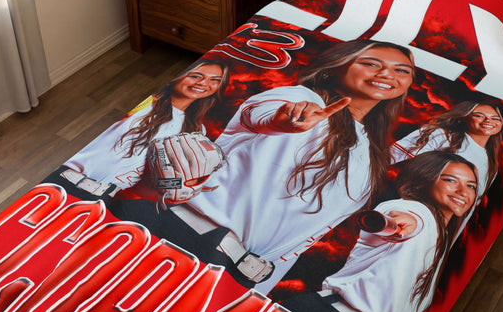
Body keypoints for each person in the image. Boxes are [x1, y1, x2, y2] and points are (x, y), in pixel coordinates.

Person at [161, 39, 415, 292]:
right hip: (184, 237)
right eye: (371, 64)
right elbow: (262, 114)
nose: (386, 74)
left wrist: (255, 290)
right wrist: (282, 120)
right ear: (334, 67)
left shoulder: (369, 150)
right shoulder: (298, 97)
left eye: (401, 70)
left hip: (242, 276)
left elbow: (303, 236)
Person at [282, 151, 478, 312]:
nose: (463, 191)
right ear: (425, 179)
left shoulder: (440, 237)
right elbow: (408, 218)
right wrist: (404, 223)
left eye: (471, 186)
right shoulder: (417, 213)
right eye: (451, 180)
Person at [61, 60, 229, 194]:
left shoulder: (197, 129)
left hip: (111, 196)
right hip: (70, 176)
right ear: (180, 76)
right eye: (196, 76)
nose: (203, 83)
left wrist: (185, 185)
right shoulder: (148, 101)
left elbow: (163, 180)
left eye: (215, 80)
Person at [391, 101, 503, 200]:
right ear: (463, 118)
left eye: (495, 118)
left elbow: (473, 200)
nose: (488, 121)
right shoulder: (443, 136)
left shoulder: (491, 162)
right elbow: (393, 154)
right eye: (479, 115)